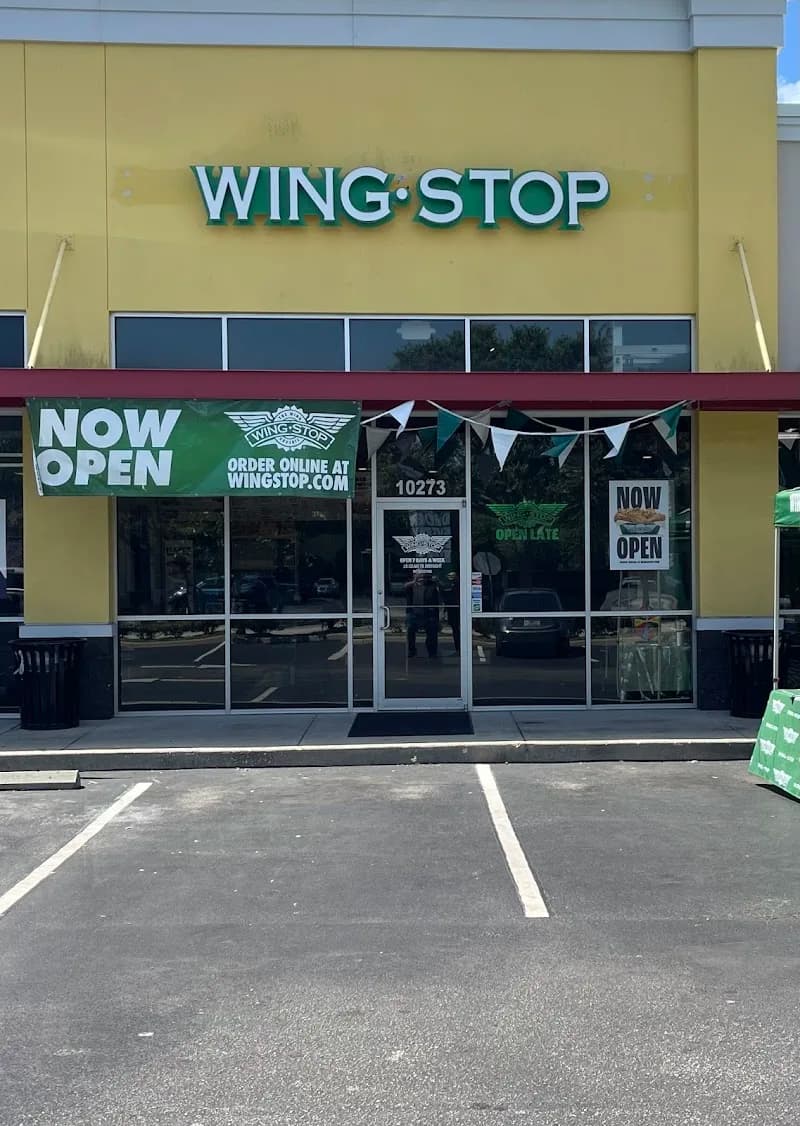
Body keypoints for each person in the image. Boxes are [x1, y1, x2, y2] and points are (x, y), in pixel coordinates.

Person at [404, 571, 442, 658]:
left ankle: (432, 653)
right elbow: (405, 587)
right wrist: (415, 581)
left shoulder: (432, 586)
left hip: (429, 613)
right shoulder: (412, 586)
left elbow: (440, 592)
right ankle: (412, 650)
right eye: (419, 577)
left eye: (423, 577)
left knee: (432, 634)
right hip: (414, 613)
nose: (422, 579)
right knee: (410, 631)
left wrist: (436, 581)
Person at [440, 570, 460, 653]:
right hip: (452, 610)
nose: (451, 578)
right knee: (455, 629)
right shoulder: (448, 586)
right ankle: (458, 647)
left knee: (457, 629)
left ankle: (459, 646)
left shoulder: (458, 585)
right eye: (449, 576)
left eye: (452, 576)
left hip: (458, 609)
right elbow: (445, 597)